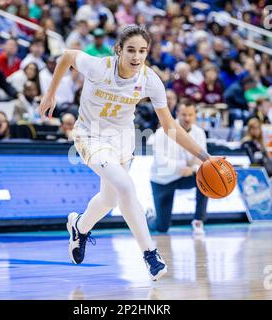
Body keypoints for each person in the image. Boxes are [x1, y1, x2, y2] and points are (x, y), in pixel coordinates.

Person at [39, 25, 210, 281]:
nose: (137, 57)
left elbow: (170, 126)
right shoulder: (99, 67)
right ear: (119, 49)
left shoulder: (150, 79)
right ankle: (150, 253)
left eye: (142, 51)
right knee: (126, 188)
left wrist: (205, 158)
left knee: (109, 200)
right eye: (131, 50)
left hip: (123, 140)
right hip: (90, 135)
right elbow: (66, 56)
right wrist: (50, 94)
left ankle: (79, 227)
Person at [148, 99, 208, 234]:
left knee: (206, 179)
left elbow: (201, 159)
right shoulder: (162, 132)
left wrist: (192, 169)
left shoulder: (199, 133)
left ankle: (198, 221)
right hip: (163, 179)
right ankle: (150, 216)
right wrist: (186, 165)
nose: (187, 118)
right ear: (177, 114)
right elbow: (161, 162)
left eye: (191, 115)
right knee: (162, 227)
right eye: (184, 114)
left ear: (195, 115)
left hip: (186, 175)